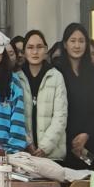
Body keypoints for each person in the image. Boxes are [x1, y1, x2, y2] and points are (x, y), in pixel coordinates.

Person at [53, 23, 94, 170]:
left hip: (90, 140)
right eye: (73, 41)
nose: (77, 45)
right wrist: (74, 139)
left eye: (81, 41)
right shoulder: (56, 72)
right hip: (64, 142)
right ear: (65, 44)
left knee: (93, 178)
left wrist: (86, 134)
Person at [15, 31, 68, 161]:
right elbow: (15, 116)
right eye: (30, 47)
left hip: (52, 154)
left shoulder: (56, 77)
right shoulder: (17, 78)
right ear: (24, 51)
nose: (35, 52)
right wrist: (28, 144)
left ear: (46, 50)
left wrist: (44, 147)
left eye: (39, 47)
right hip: (25, 154)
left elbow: (60, 117)